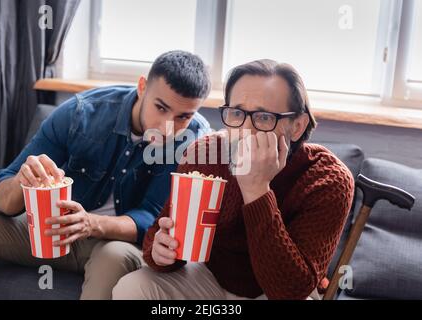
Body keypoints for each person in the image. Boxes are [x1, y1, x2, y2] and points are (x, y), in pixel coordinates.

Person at [0, 50, 211, 299]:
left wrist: (92, 223)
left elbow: (151, 217)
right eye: (160, 108)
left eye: (183, 116)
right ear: (142, 87)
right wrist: (21, 182)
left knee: (112, 258)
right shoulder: (81, 113)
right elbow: (0, 197)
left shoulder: (193, 141)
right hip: (58, 228)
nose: (167, 127)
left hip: (118, 243)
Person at [112, 59, 355, 300]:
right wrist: (161, 251)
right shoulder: (206, 153)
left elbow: (289, 291)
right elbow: (160, 236)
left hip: (278, 290)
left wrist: (257, 190)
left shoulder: (328, 180)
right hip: (211, 277)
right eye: (237, 113)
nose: (245, 130)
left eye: (263, 117)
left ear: (297, 126)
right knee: (134, 287)